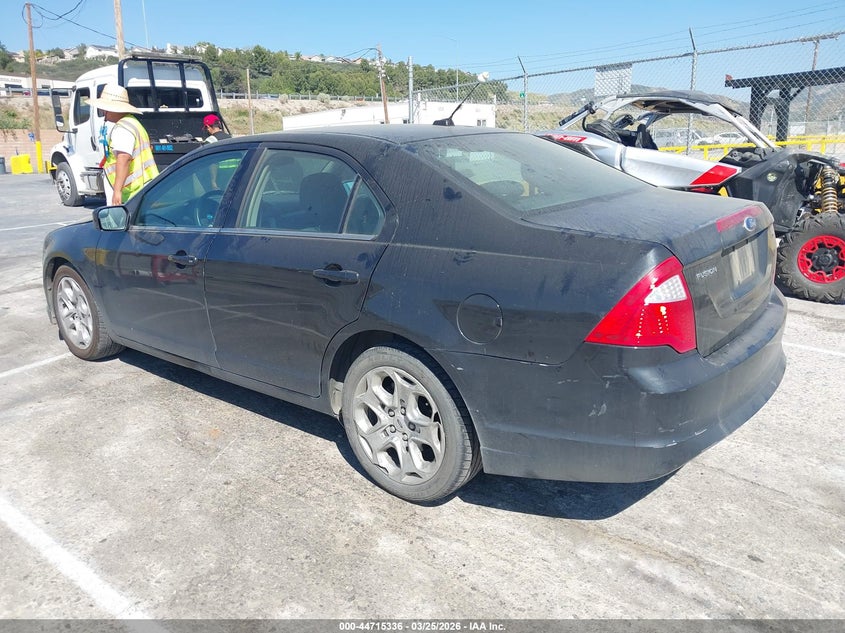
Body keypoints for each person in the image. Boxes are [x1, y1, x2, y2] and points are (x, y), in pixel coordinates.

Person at [92, 83, 159, 205]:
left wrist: (117, 191)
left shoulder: (122, 128)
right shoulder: (133, 123)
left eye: (104, 108)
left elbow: (124, 157)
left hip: (130, 191)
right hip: (141, 186)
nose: (102, 111)